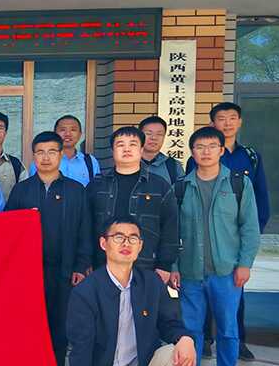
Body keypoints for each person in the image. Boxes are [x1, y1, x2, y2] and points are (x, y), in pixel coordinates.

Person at [67, 217, 196, 366]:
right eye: (118, 237)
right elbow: (80, 347)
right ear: (104, 244)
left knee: (181, 351)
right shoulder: (87, 291)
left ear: (140, 246)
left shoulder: (151, 283)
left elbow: (170, 323)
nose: (126, 243)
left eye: (133, 238)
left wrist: (185, 338)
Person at [176, 127, 261, 366]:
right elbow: (172, 232)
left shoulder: (238, 184)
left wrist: (245, 263)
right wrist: (174, 267)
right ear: (192, 152)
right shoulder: (181, 187)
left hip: (227, 271)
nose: (206, 152)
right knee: (191, 329)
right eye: (200, 147)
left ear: (222, 151)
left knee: (227, 328)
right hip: (190, 271)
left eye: (212, 146)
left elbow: (250, 228)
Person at [5, 131, 91, 366]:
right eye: (40, 152)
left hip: (64, 271)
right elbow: (8, 230)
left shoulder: (75, 190)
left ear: (61, 155)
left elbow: (85, 230)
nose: (45, 157)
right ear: (33, 156)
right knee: (28, 325)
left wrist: (81, 265)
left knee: (60, 327)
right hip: (28, 273)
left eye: (52, 152)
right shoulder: (22, 190)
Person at [188, 102, 270, 361]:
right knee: (198, 307)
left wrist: (247, 249)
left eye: (232, 118)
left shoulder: (251, 157)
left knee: (233, 305)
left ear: (240, 122)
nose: (227, 123)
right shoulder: (195, 163)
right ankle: (204, 343)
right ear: (213, 123)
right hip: (199, 252)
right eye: (221, 118)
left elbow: (259, 203)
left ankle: (237, 347)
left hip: (231, 249)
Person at [87, 126, 179, 280]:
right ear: (113, 151)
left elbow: (170, 228)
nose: (126, 149)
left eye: (133, 144)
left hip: (146, 266)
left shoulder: (159, 186)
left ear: (141, 150)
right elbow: (86, 226)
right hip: (102, 264)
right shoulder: (97, 185)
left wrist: (164, 265)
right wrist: (85, 262)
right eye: (120, 145)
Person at [30, 115, 101, 186]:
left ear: (80, 134)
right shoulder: (42, 162)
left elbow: (96, 188)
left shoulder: (90, 161)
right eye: (62, 130)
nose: (67, 134)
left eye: (73, 130)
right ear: (55, 134)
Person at [139, 116, 185, 185]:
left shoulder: (173, 166)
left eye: (159, 134)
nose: (154, 138)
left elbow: (181, 190)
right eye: (148, 133)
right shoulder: (126, 162)